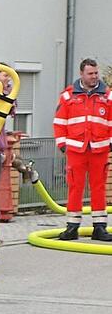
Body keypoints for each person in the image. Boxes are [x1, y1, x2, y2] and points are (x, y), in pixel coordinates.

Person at [53, 58, 112, 241]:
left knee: (99, 187)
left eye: (96, 73)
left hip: (100, 149)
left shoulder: (108, 96)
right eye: (90, 73)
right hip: (75, 149)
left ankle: (100, 228)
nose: (94, 77)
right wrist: (62, 145)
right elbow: (60, 122)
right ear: (82, 74)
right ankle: (72, 227)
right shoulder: (68, 96)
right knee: (75, 188)